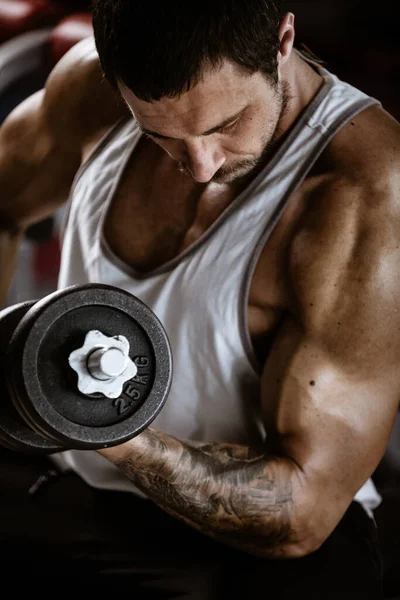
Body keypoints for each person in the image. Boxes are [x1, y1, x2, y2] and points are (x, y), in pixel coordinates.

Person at [0, 0, 399, 596]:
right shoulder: (91, 90)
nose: (200, 166)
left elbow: (302, 512)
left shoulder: (364, 193)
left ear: (282, 39)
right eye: (159, 134)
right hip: (75, 488)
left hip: (261, 546)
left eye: (224, 126)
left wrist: (99, 423)